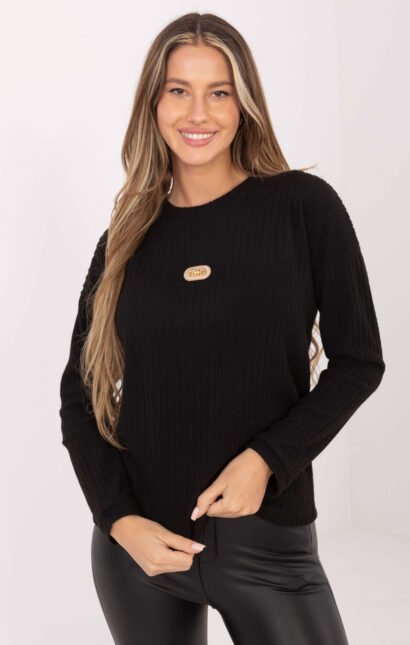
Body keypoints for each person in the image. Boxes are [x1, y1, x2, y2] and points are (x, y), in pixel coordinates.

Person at [59, 12, 386, 645]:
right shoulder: (123, 241)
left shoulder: (303, 207)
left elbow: (359, 362)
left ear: (244, 104)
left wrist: (267, 460)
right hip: (140, 554)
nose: (197, 112)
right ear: (153, 104)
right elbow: (79, 392)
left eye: (219, 92)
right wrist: (118, 520)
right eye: (178, 90)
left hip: (267, 549)